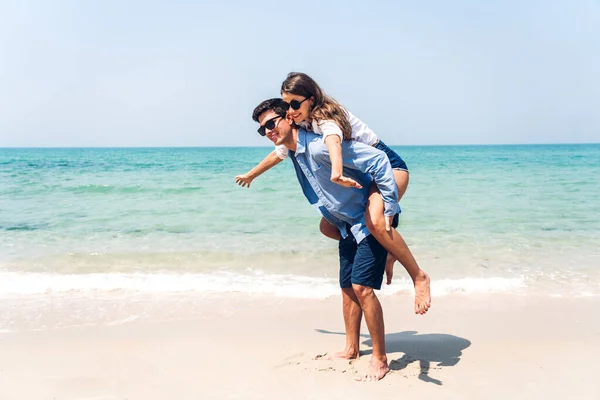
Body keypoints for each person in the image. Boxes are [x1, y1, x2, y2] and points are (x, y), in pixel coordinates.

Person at [236, 73, 431, 314]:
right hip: (367, 169)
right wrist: (251, 175)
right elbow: (279, 153)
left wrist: (337, 173)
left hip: (389, 166)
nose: (291, 110)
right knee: (328, 227)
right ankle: (383, 246)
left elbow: (333, 142)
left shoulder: (324, 118)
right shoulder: (301, 121)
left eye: (295, 104)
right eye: (287, 105)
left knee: (376, 221)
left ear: (311, 98)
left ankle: (419, 276)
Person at [252, 97, 404, 381]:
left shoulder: (321, 145)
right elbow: (275, 156)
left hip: (366, 222)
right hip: (345, 225)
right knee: (347, 288)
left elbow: (379, 159)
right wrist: (250, 175)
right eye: (263, 130)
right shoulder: (293, 151)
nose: (268, 131)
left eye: (271, 123)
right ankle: (351, 349)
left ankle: (380, 359)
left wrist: (390, 211)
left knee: (361, 288)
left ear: (289, 117)